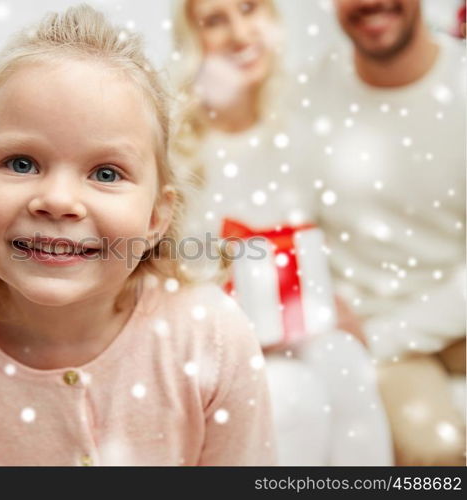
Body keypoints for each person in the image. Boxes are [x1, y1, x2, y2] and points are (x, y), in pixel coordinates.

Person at [0, 5, 276, 466]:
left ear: (157, 215)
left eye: (105, 172)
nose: (58, 200)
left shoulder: (213, 338)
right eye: (22, 163)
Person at [171, 0, 393, 465]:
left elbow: (339, 243)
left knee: (346, 364)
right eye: (215, 20)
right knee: (291, 395)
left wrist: (341, 304)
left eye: (248, 9)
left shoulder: (301, 128)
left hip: (302, 328)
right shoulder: (179, 151)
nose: (238, 34)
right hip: (223, 340)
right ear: (194, 41)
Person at [307, 0, 466, 465]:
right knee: (431, 452)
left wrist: (389, 334)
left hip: (426, 322)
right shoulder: (308, 94)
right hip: (375, 332)